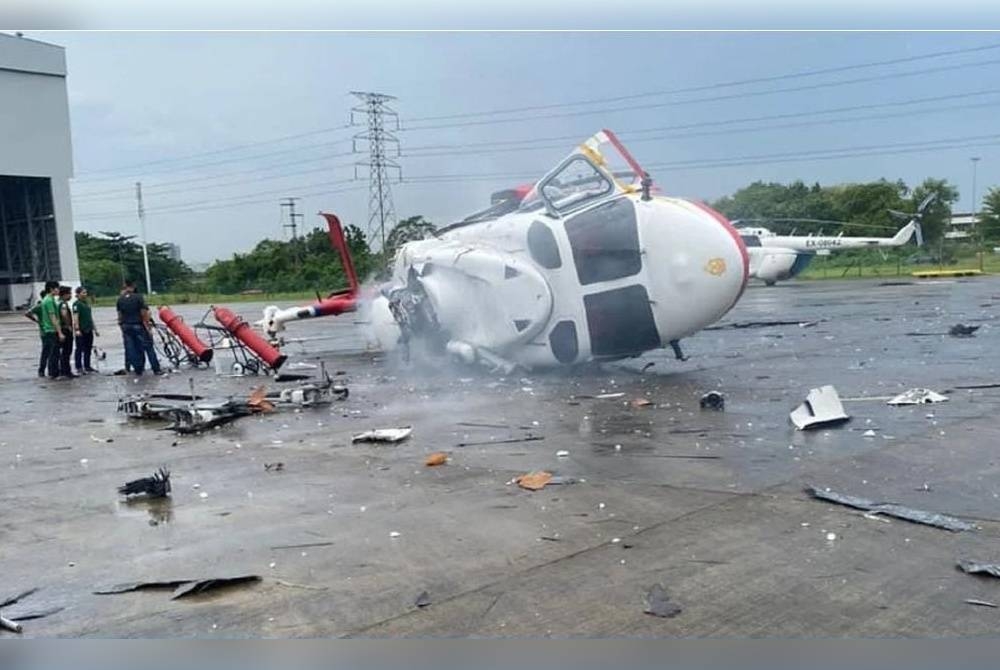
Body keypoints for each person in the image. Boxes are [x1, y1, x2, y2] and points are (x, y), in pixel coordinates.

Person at [116, 279, 162, 375]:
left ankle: (138, 369)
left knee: (132, 348)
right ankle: (156, 369)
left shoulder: (120, 299)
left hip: (126, 326)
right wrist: (147, 326)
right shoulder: (138, 297)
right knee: (149, 347)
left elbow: (119, 315)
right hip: (138, 325)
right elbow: (143, 312)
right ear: (133, 286)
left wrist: (121, 325)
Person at [25, 281, 60, 378]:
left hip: (44, 330)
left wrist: (37, 321)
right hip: (46, 331)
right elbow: (27, 313)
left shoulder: (44, 303)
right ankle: (46, 370)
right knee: (48, 352)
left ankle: (46, 370)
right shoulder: (43, 304)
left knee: (48, 352)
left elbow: (27, 313)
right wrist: (37, 321)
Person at [72, 286, 99, 373]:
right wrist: (77, 329)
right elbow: (76, 317)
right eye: (83, 293)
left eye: (86, 292)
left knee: (88, 348)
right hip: (81, 329)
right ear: (78, 294)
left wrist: (95, 329)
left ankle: (87, 366)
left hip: (88, 329)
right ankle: (79, 366)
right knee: (79, 348)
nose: (85, 294)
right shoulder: (76, 304)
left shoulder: (86, 304)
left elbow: (90, 317)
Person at [56, 286, 77, 378]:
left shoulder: (58, 303)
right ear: (65, 294)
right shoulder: (63, 304)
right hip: (65, 329)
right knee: (67, 351)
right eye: (69, 294)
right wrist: (68, 325)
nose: (71, 296)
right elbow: (64, 314)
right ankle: (66, 371)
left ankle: (64, 370)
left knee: (64, 351)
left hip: (62, 328)